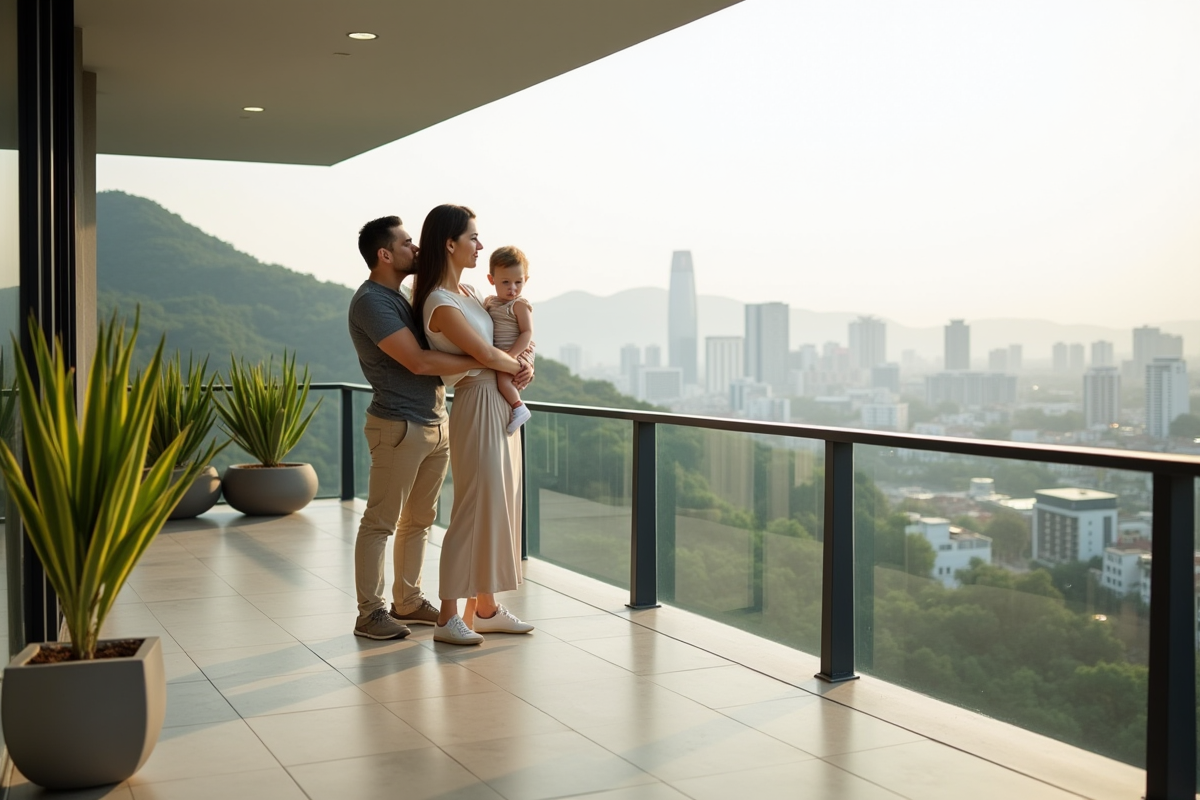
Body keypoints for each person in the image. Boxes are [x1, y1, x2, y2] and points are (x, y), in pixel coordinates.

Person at [348, 215, 512, 640]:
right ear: (385, 254)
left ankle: (407, 600)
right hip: (398, 424)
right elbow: (418, 362)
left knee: (420, 519)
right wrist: (487, 360)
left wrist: (492, 360)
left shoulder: (403, 296)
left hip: (434, 419)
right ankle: (370, 613)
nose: (416, 249)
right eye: (406, 244)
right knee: (381, 520)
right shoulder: (372, 302)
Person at [413, 204, 535, 645]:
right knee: (472, 507)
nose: (480, 245)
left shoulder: (467, 293)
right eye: (472, 238)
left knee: (499, 505)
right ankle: (448, 617)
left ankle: (483, 607)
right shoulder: (439, 303)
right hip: (477, 402)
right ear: (450, 243)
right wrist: (518, 365)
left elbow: (499, 342)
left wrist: (519, 365)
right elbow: (483, 357)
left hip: (497, 403)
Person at [483, 245, 535, 435]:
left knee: (502, 379)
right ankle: (517, 407)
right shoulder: (490, 302)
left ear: (525, 280)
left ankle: (519, 407)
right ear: (491, 279)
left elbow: (527, 333)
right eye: (505, 282)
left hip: (518, 350)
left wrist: (511, 355)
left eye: (518, 282)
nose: (512, 288)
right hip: (502, 352)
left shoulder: (519, 304)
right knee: (502, 377)